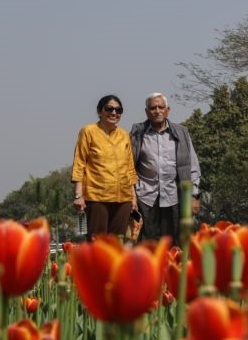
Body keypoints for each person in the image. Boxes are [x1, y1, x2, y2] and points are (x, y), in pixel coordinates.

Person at [130, 92, 201, 246]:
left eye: (160, 107)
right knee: (148, 245)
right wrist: (132, 195)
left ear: (167, 110)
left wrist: (194, 196)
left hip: (174, 197)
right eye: (153, 108)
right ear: (147, 112)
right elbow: (128, 166)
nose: (157, 111)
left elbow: (193, 167)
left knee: (175, 244)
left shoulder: (182, 133)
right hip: (146, 198)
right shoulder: (137, 134)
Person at [71, 95, 137, 241]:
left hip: (123, 198)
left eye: (118, 110)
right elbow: (79, 163)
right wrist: (78, 195)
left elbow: (130, 167)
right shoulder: (88, 131)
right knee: (97, 243)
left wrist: (133, 197)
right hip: (97, 197)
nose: (114, 113)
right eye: (109, 108)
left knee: (117, 244)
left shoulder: (124, 135)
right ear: (99, 111)